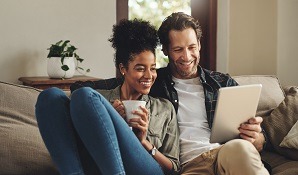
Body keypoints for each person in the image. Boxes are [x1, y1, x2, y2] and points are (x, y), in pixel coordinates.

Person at [35, 19, 180, 175]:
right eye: (140, 68)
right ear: (123, 68)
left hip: (146, 168)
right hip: (98, 166)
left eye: (153, 69)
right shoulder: (98, 102)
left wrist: (143, 142)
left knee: (85, 95)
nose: (149, 76)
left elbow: (173, 168)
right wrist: (106, 120)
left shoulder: (165, 108)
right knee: (50, 96)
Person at [148, 12, 270, 175]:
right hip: (189, 165)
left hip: (227, 154)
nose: (186, 56)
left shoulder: (222, 82)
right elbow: (112, 86)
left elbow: (259, 139)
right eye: (178, 49)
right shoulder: (153, 83)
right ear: (165, 50)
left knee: (241, 147)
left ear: (199, 44)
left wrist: (257, 138)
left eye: (191, 47)